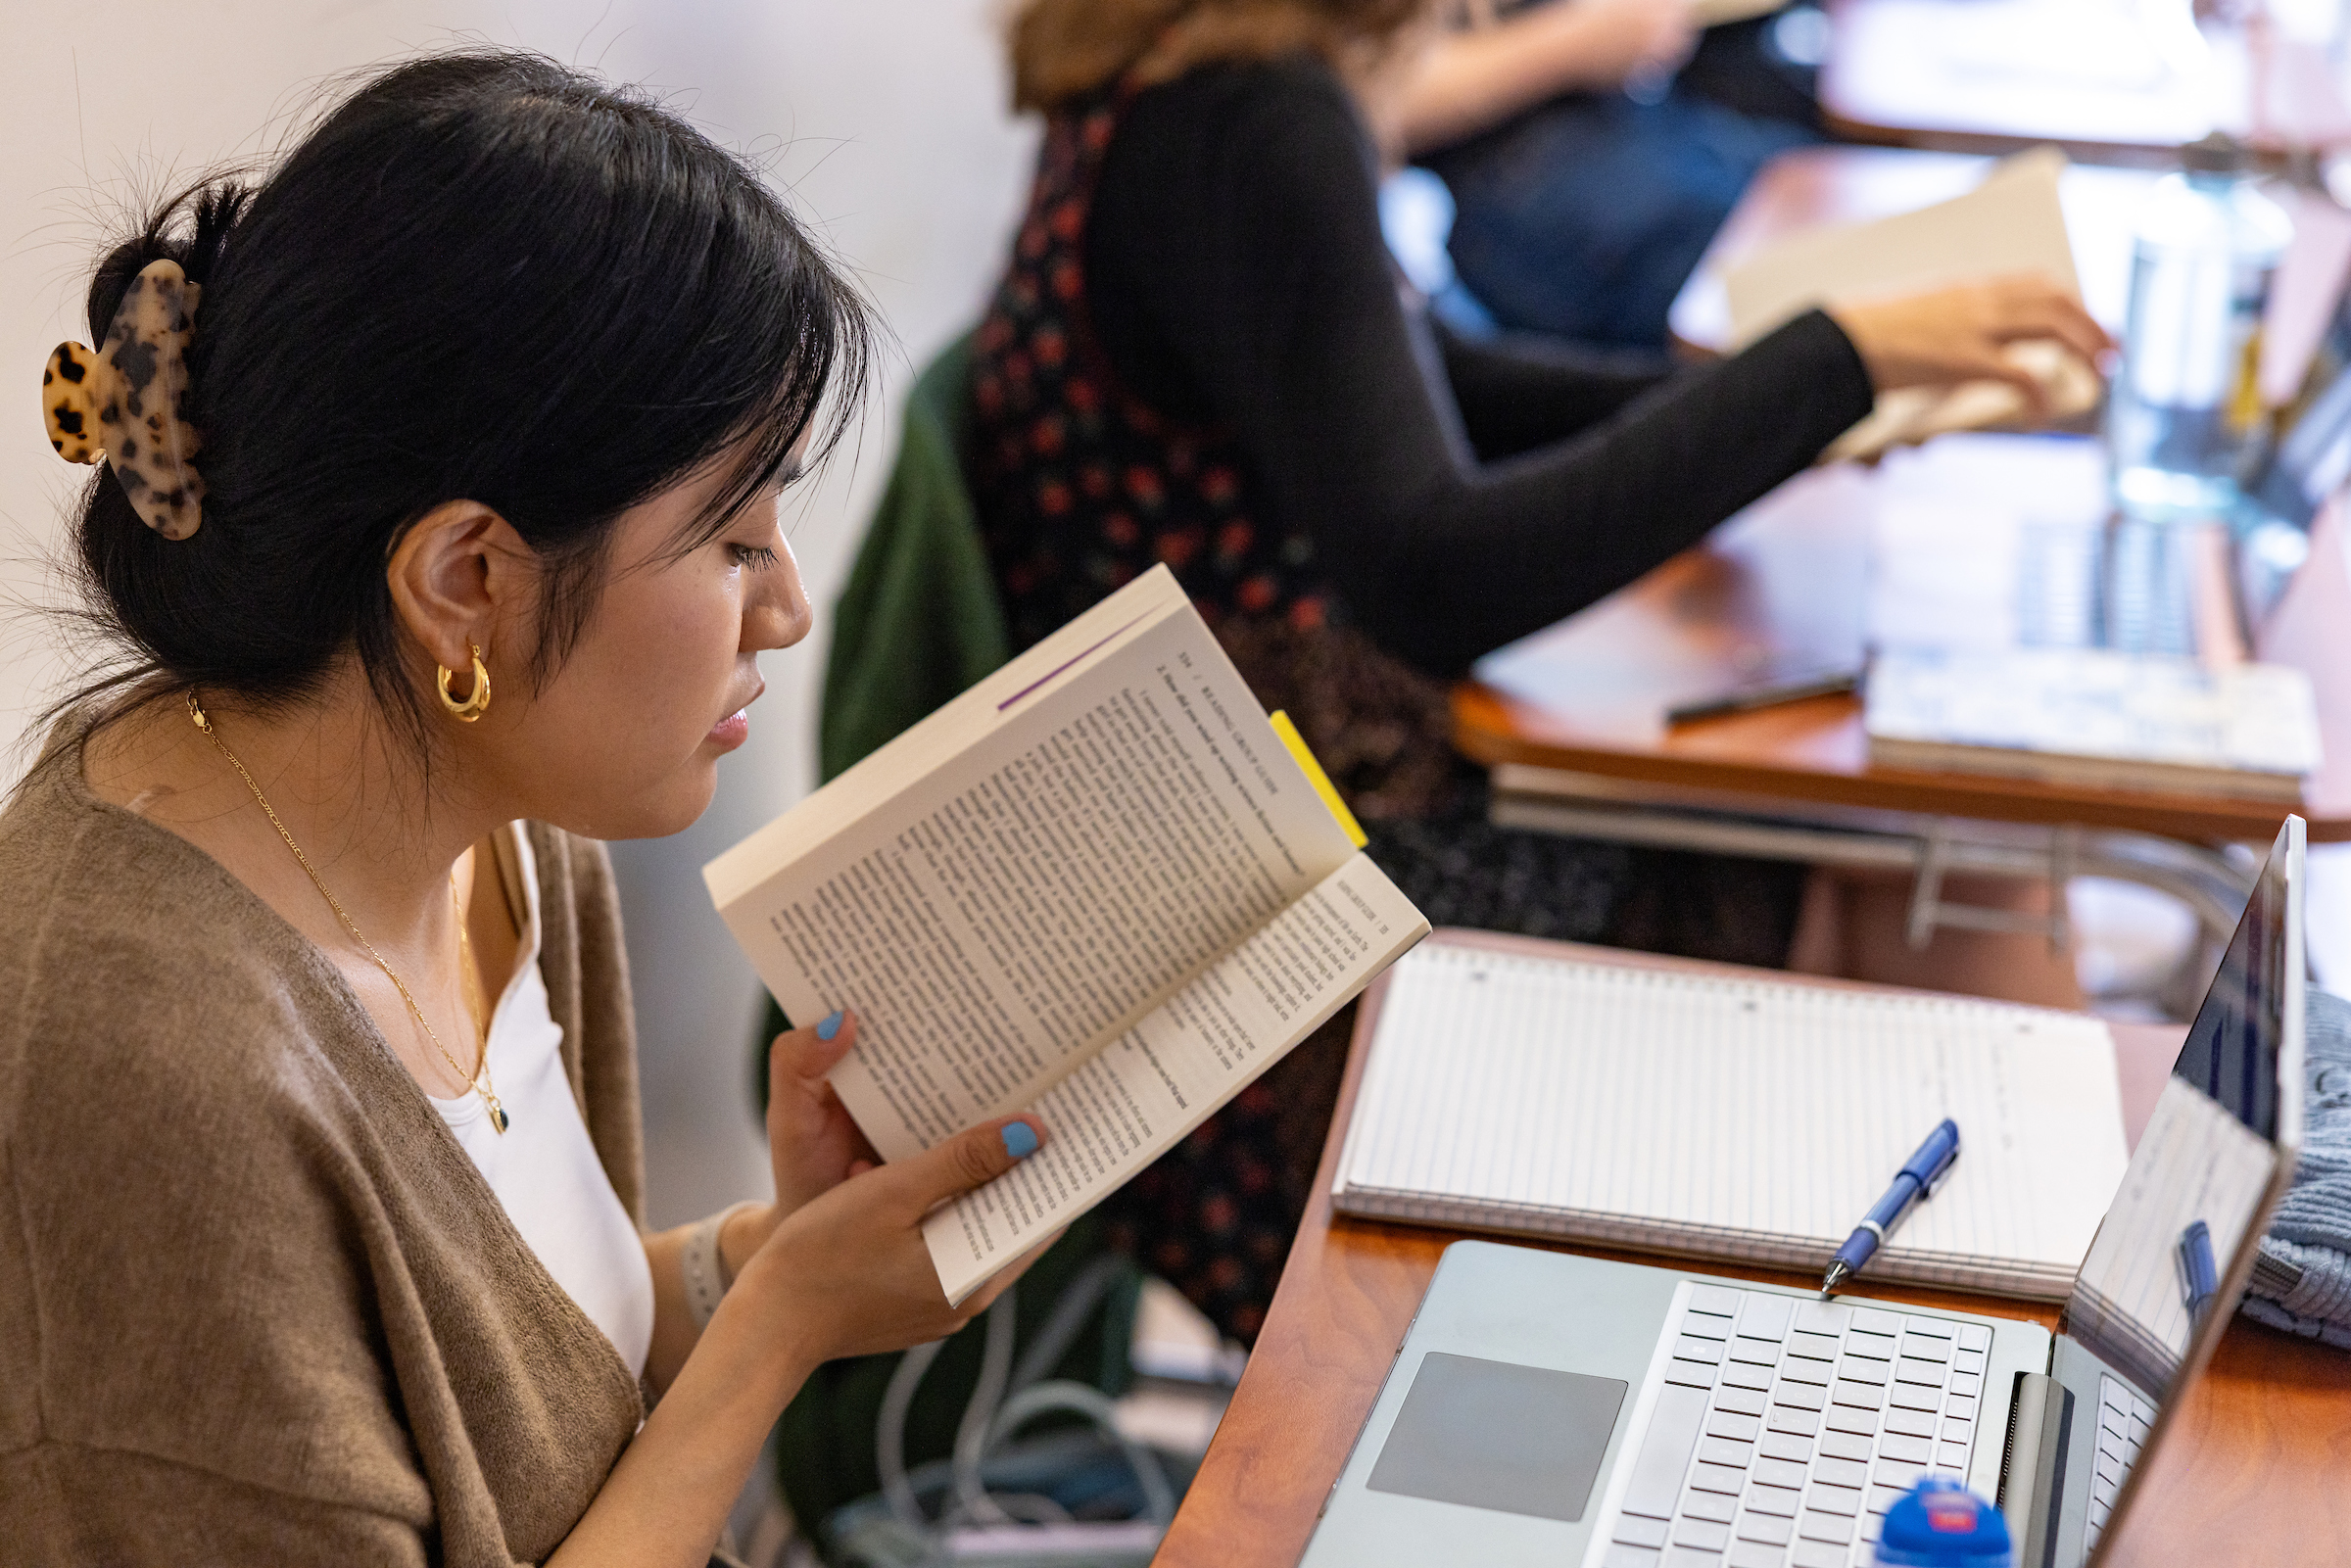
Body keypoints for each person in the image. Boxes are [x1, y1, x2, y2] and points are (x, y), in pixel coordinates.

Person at [3, 52, 1053, 1565]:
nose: (792, 609)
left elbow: (534, 1356)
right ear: (466, 582)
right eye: (734, 545)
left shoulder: (484, 822)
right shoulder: (148, 1075)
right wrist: (779, 1335)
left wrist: (781, 1253)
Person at [974, 0, 2108, 1341]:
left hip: (1201, 837)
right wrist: (1831, 363)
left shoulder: (1165, 73)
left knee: (1906, 851)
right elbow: (1433, 571)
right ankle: (2039, 1364)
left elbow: (1427, 389)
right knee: (1931, 849)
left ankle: (1982, 1358)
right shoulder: (1260, 119)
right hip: (1284, 932)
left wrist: (1774, 404)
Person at [1390, 0, 1823, 348]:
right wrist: (1578, 40)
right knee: (1811, 287)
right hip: (1519, 176)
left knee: (1839, 192)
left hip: (1641, 118)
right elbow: (1369, 98)